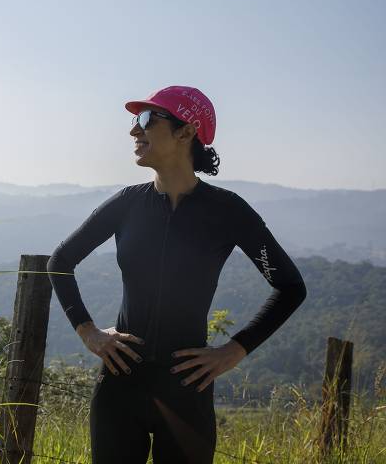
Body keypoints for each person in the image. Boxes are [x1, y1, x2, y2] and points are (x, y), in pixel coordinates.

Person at [46, 85, 307, 463]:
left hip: (187, 390)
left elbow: (290, 287)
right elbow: (60, 261)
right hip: (120, 386)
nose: (135, 131)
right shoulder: (127, 203)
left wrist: (234, 351)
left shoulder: (227, 211)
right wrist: (88, 332)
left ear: (186, 132)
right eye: (136, 120)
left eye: (148, 119)